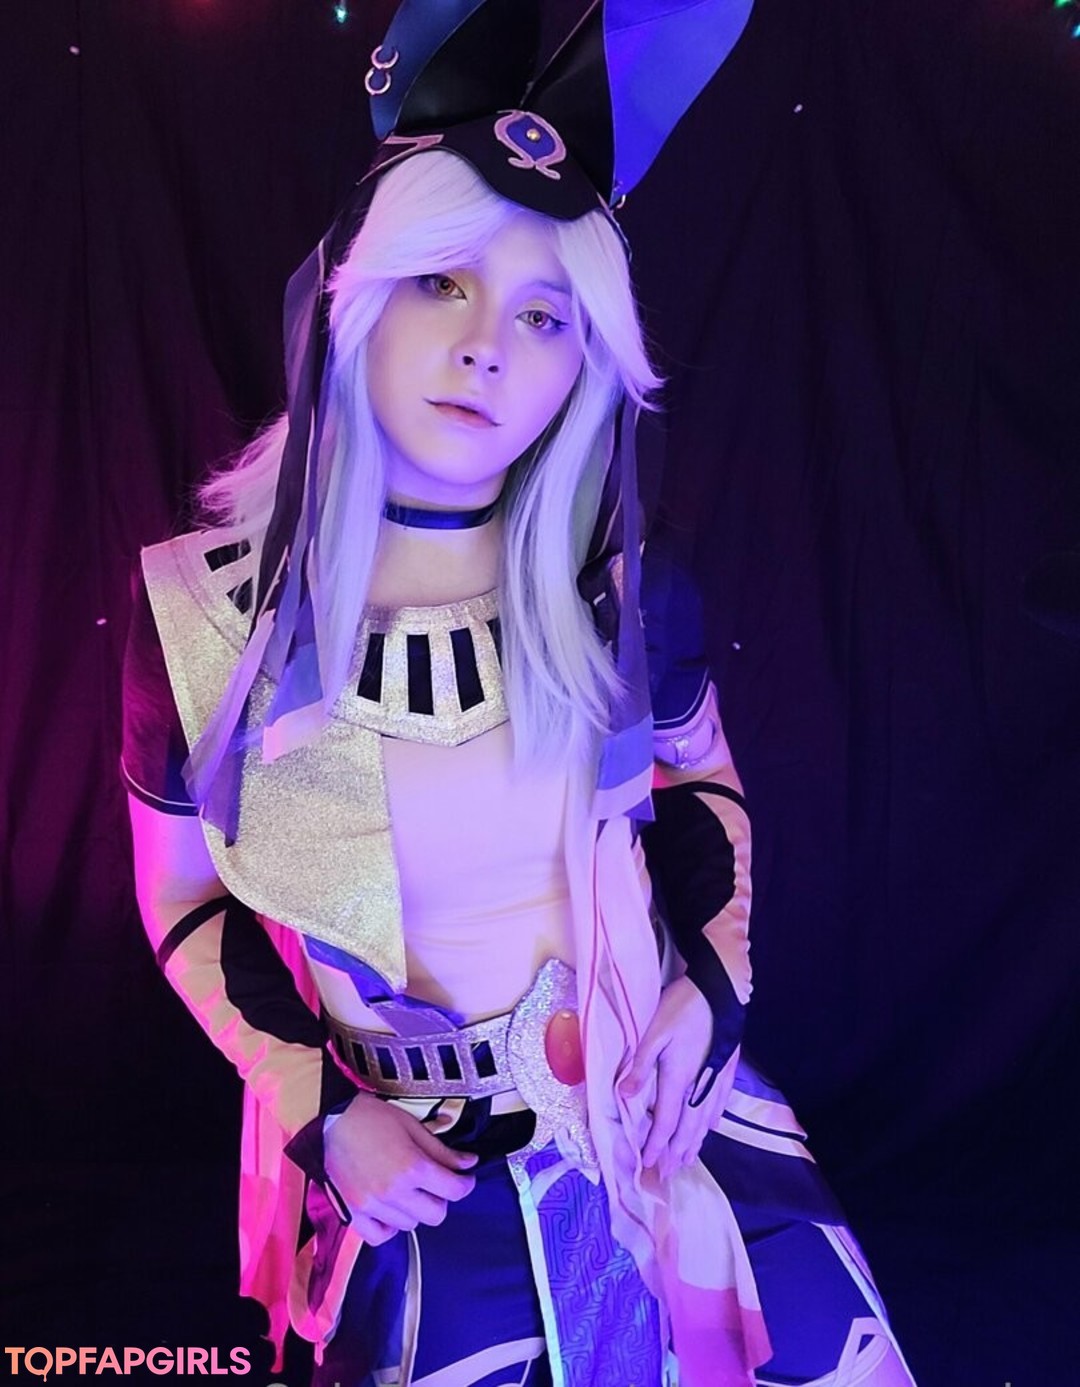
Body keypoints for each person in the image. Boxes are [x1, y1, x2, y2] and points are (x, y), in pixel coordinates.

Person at [123, 3, 918, 1384]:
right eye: (444, 282)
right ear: (359, 295)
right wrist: (321, 1113)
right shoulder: (201, 620)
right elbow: (185, 898)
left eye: (544, 314)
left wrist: (709, 994)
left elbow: (700, 783)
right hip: (408, 1181)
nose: (489, 345)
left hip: (661, 1138)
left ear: (584, 362)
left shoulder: (623, 595)